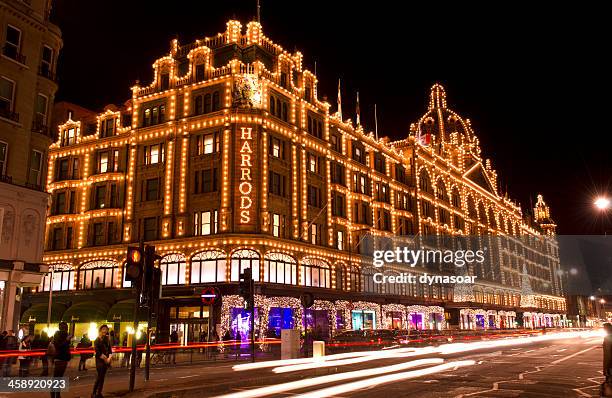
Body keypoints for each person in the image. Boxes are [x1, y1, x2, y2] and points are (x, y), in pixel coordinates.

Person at [51, 322, 72, 398]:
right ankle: (54, 395)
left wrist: (68, 339)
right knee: (56, 378)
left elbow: (67, 346)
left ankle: (58, 394)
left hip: (64, 358)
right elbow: (58, 346)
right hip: (59, 358)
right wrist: (67, 340)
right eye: (64, 327)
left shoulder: (66, 334)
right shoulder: (57, 334)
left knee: (59, 378)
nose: (65, 328)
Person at [92, 325, 112, 398]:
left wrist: (109, 358)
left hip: (106, 361)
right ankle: (94, 393)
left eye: (106, 329)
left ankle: (99, 392)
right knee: (99, 376)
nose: (105, 331)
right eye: (103, 329)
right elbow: (98, 352)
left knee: (102, 377)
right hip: (99, 361)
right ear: (100, 331)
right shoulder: (97, 340)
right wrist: (105, 359)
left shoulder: (108, 340)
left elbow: (110, 351)